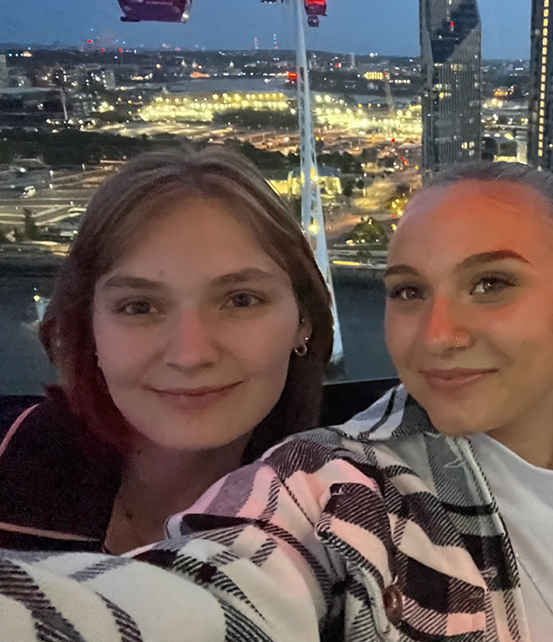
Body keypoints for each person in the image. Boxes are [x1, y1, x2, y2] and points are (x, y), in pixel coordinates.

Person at [0, 162, 553, 642]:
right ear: (83, 322)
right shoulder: (335, 486)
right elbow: (208, 599)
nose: (439, 334)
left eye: (490, 284)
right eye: (409, 290)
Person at [0, 148, 332, 553]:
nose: (190, 355)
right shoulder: (12, 470)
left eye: (241, 300)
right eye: (139, 307)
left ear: (304, 321)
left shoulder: (344, 527)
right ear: (88, 328)